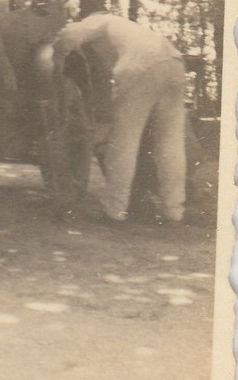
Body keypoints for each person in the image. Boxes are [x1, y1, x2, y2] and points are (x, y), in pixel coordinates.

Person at [52, 13, 188, 223]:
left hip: (142, 65)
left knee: (123, 142)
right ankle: (174, 210)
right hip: (175, 63)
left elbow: (69, 34)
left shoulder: (102, 19)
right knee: (170, 142)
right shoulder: (131, 30)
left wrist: (57, 58)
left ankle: (114, 209)